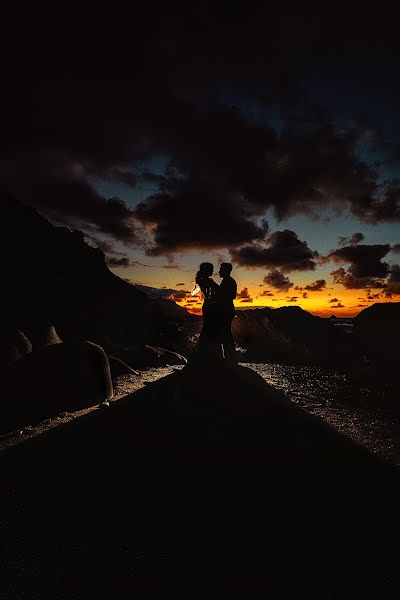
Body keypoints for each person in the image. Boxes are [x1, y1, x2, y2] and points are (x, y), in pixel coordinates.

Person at [194, 262, 222, 358]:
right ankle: (207, 353)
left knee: (208, 329)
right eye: (211, 269)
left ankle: (206, 352)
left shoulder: (204, 280)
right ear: (206, 270)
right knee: (209, 329)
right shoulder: (206, 281)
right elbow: (215, 292)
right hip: (210, 307)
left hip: (209, 306)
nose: (213, 271)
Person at [217, 262, 237, 362]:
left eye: (221, 269)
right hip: (227, 310)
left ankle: (229, 357)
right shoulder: (227, 281)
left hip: (226, 311)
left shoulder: (229, 281)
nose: (219, 271)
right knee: (225, 333)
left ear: (226, 270)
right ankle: (229, 356)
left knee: (226, 334)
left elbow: (232, 296)